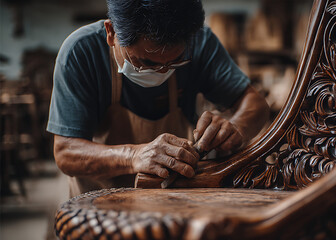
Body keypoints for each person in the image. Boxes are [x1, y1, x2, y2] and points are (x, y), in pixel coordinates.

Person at [47, 0, 269, 197]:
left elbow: (255, 104)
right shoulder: (80, 52)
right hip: (99, 208)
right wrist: (133, 156)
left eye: (175, 62)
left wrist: (237, 129)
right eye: (146, 63)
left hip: (171, 202)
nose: (162, 72)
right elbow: (66, 152)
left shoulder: (199, 42)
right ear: (111, 32)